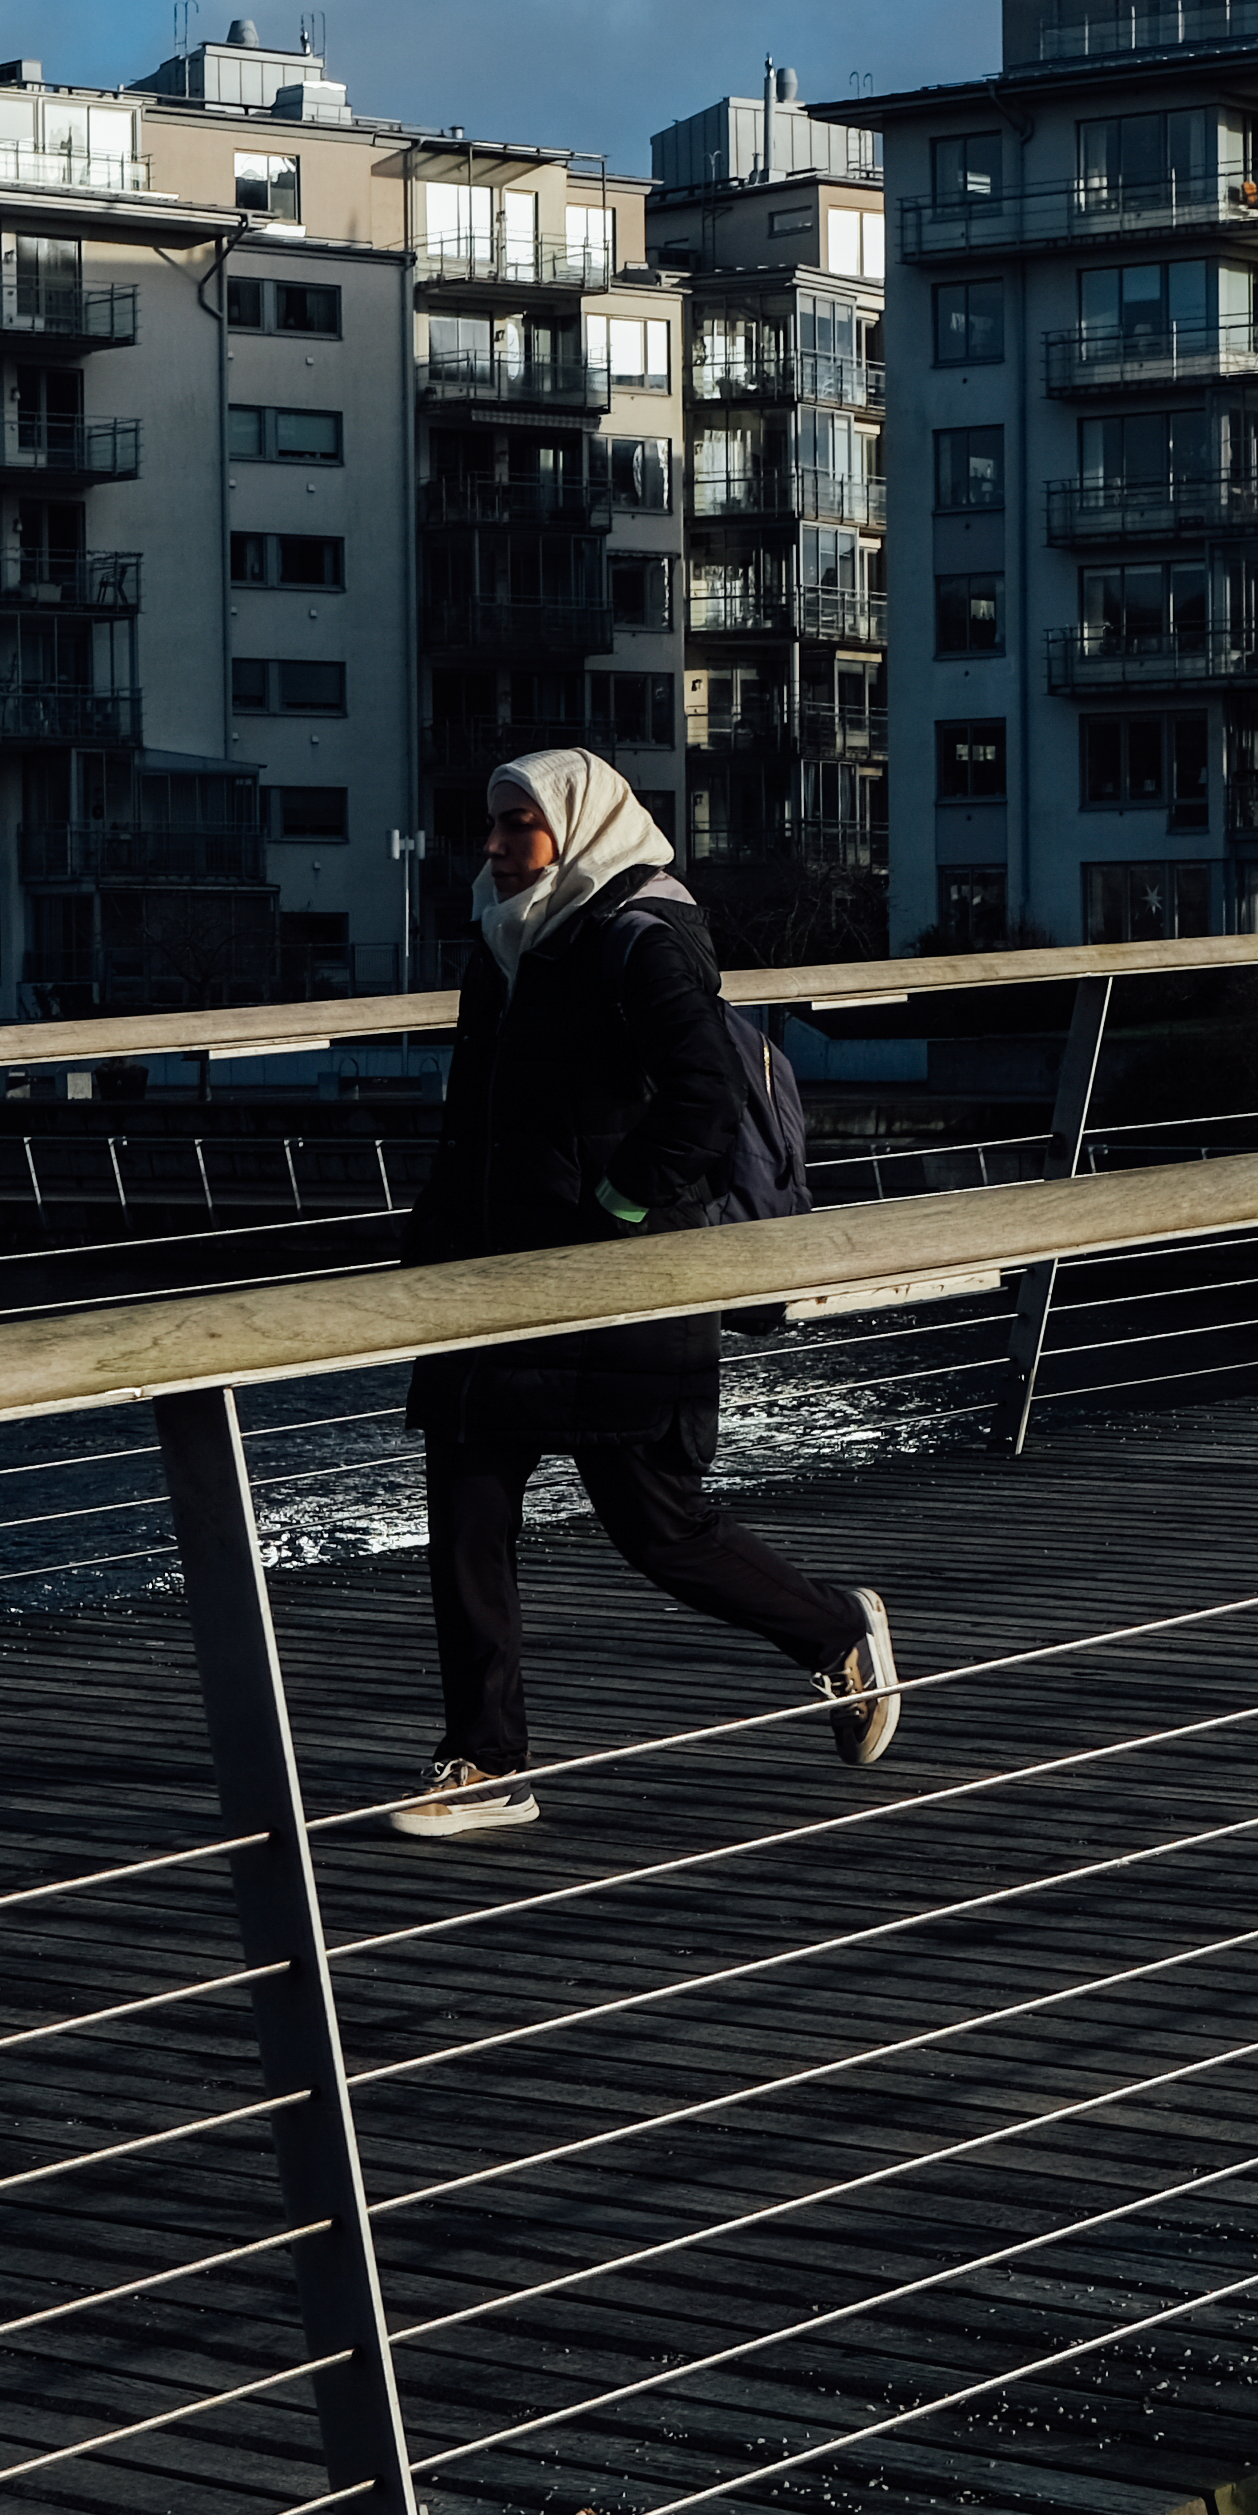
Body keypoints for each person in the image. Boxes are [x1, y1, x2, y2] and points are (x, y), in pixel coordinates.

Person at [384, 749, 895, 1840]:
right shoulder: (501, 939)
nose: (494, 846)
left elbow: (702, 1101)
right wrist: (430, 1243)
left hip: (623, 1275)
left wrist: (612, 1212)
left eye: (518, 825)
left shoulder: (639, 936)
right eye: (492, 824)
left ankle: (832, 1628)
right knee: (466, 1514)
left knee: (654, 1522)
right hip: (496, 1278)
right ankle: (486, 1759)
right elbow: (472, 1115)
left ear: (578, 825)